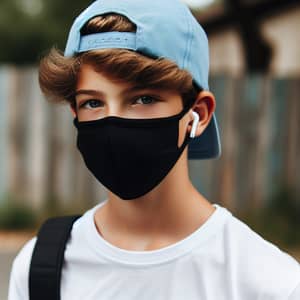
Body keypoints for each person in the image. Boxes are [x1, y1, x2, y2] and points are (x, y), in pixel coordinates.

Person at [8, 0, 300, 299]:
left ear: (198, 113)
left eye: (143, 99)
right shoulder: (38, 270)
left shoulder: (270, 283)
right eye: (93, 103)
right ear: (75, 113)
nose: (114, 122)